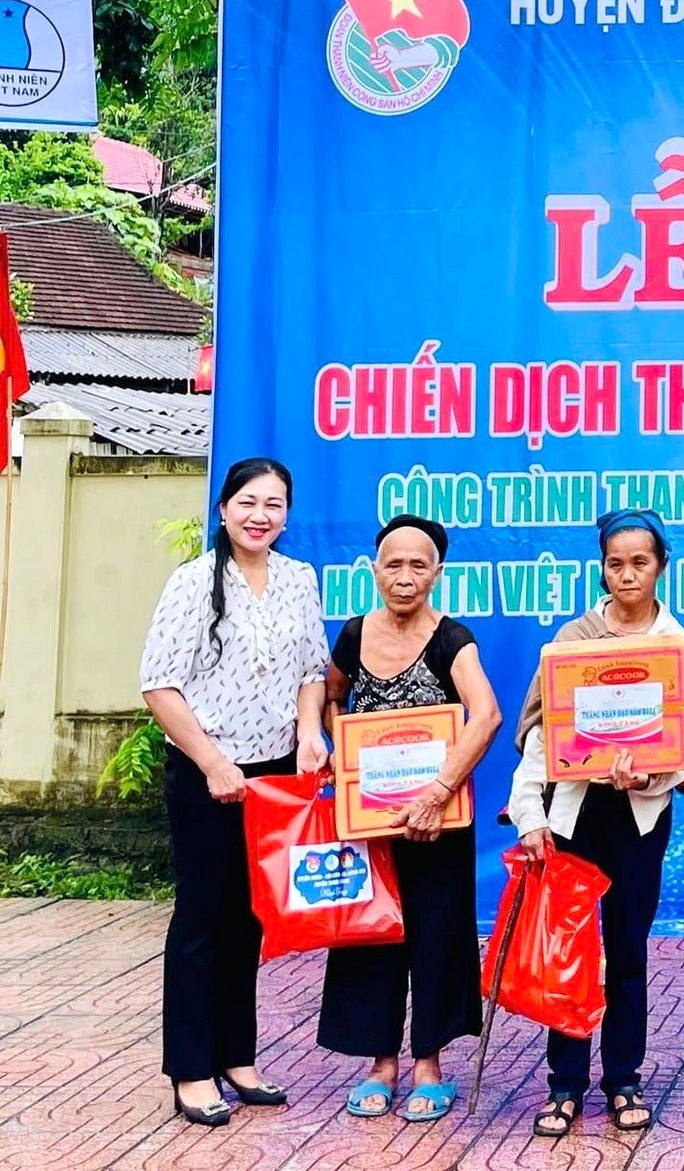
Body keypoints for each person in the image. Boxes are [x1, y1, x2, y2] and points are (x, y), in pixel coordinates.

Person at [139, 457, 330, 1127]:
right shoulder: (193, 581)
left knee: (250, 916)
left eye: (274, 504)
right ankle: (191, 1069)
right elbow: (159, 684)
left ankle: (237, 1056)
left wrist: (310, 733)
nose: (260, 515)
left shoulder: (299, 580)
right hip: (205, 772)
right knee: (201, 918)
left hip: (275, 770)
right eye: (248, 501)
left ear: (286, 514)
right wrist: (214, 762)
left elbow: (313, 668)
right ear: (223, 509)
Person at [508, 508, 684, 1137]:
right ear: (602, 568)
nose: (627, 574)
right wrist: (530, 815)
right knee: (567, 952)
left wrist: (651, 777)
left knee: (625, 951)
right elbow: (540, 734)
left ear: (661, 567)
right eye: (615, 563)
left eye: (639, 563)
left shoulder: (677, 646)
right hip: (572, 817)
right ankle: (564, 1085)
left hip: (639, 820)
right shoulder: (571, 640)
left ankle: (623, 1079)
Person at [320, 515, 501, 1122]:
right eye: (392, 564)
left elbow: (486, 716)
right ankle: (379, 1064)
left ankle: (429, 1067)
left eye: (418, 565)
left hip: (436, 822)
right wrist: (345, 763)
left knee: (437, 934)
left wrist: (437, 791)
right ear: (373, 571)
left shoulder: (453, 639)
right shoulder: (351, 635)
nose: (404, 577)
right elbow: (333, 698)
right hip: (371, 827)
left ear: (438, 574)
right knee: (370, 933)